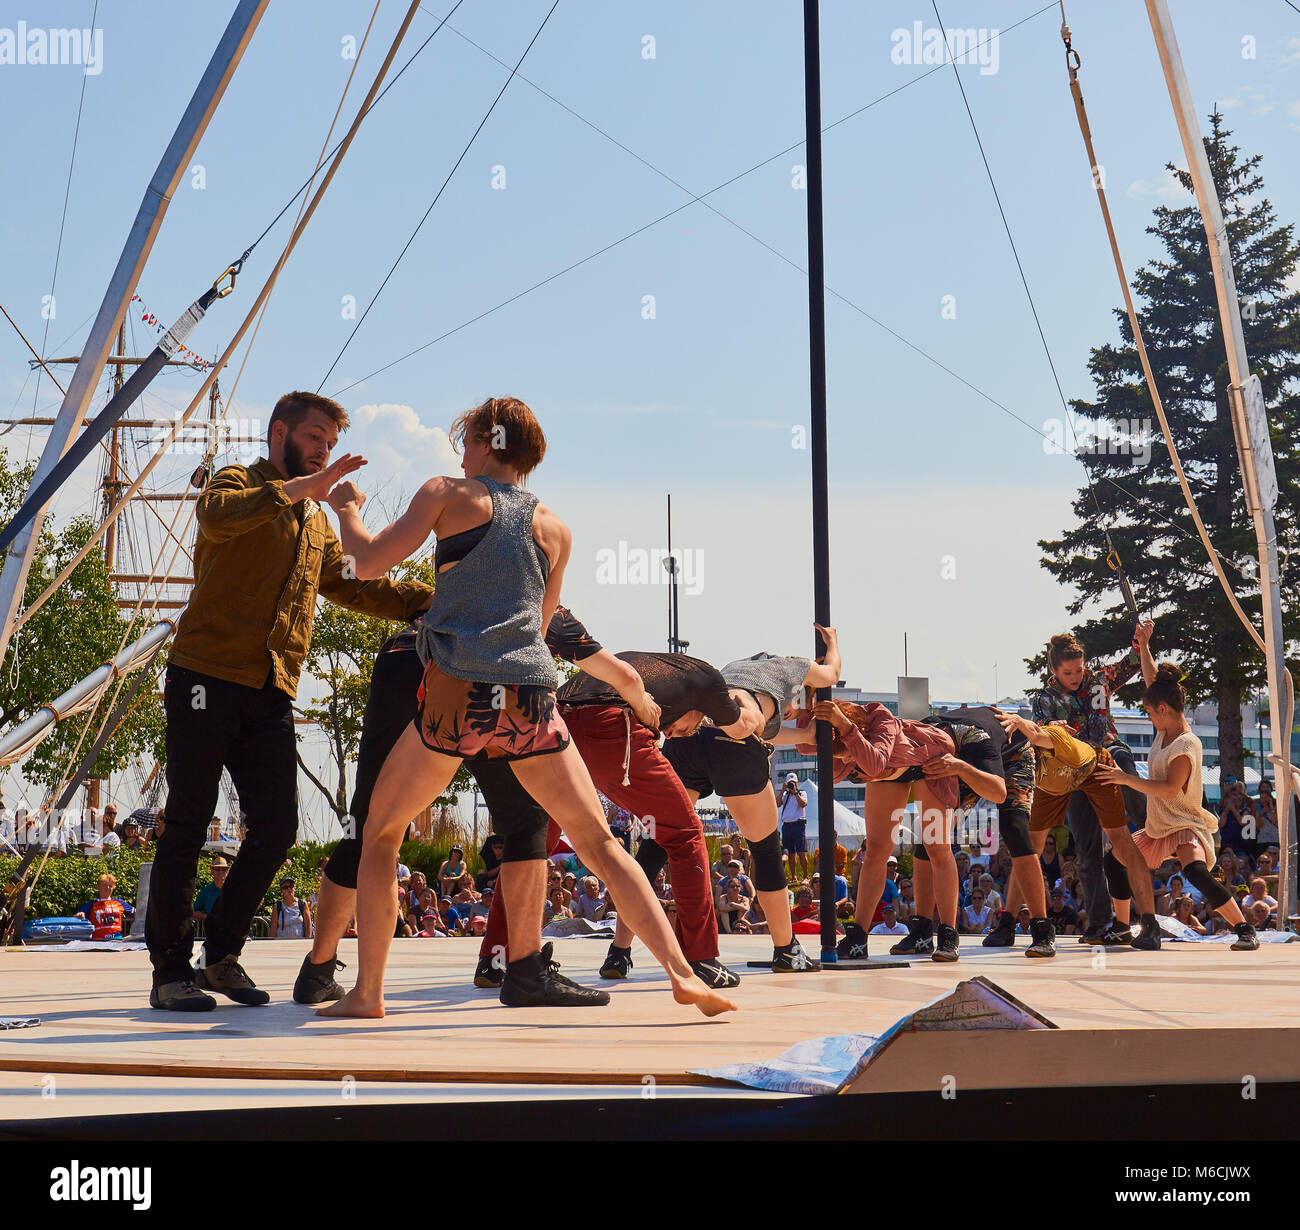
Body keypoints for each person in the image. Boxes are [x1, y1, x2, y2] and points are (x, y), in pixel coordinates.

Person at [315, 396, 735, 1018]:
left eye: (467, 441)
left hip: (458, 692)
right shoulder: (556, 528)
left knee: (381, 834)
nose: (460, 453)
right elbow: (541, 625)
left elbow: (367, 562)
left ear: (487, 441)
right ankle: (682, 975)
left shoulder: (446, 494)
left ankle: (369, 994)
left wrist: (347, 511)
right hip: (533, 698)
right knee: (600, 843)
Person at [146, 390, 433, 1012]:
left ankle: (221, 957)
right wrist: (308, 486)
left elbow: (350, 584)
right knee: (189, 821)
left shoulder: (316, 522)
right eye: (314, 439)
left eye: (330, 444)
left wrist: (429, 600)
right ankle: (170, 970)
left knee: (276, 827)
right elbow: (218, 518)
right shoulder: (237, 481)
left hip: (271, 687)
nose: (324, 453)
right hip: (205, 674)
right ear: (279, 432)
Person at [656, 634, 843, 972]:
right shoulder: (791, 668)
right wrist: (833, 642)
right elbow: (830, 674)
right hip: (734, 744)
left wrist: (802, 735)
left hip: (689, 738)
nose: (793, 714)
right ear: (801, 691)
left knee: (660, 842)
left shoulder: (737, 671)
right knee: (766, 850)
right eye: (799, 711)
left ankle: (619, 950)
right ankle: (786, 950)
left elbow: (755, 727)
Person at [792, 700, 1009, 963]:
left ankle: (948, 934)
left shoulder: (881, 719)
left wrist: (846, 729)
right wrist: (805, 713)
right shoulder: (843, 742)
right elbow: (804, 746)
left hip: (930, 761)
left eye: (847, 755)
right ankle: (858, 936)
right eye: (844, 756)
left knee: (936, 847)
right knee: (875, 851)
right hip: (889, 771)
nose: (847, 762)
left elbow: (873, 763)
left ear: (858, 732)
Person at [1092, 645, 1258, 952]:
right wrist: (1143, 645)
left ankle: (1244, 928)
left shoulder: (1185, 744)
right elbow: (1153, 680)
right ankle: (1121, 927)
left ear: (1164, 710)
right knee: (1113, 862)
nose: (1150, 717)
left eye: (1151, 712)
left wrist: (1124, 778)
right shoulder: (1164, 727)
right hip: (1159, 824)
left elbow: (1170, 790)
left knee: (1195, 872)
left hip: (1183, 822)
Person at [996, 707, 1162, 950]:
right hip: (1053, 784)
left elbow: (1036, 733)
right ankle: (1007, 924)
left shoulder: (1054, 736)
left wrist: (1020, 720)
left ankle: (1149, 924)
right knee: (1028, 848)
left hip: (1096, 769)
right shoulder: (1020, 762)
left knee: (1121, 839)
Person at [1031, 624, 1153, 944]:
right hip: (1077, 773)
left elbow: (1131, 663)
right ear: (1055, 671)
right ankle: (1100, 922)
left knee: (1126, 766)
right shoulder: (1046, 698)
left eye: (1079, 670)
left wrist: (1141, 641)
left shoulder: (1099, 680)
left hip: (1108, 752)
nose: (1075, 677)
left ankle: (1153, 823)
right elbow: (1039, 734)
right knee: (1086, 851)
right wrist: (1051, 729)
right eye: (1068, 673)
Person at [75, 874, 135, 940]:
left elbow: (136, 913)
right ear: (98, 887)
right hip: (98, 941)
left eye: (110, 886)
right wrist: (80, 914)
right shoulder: (91, 904)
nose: (108, 888)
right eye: (105, 885)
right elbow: (78, 916)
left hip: (117, 940)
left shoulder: (119, 902)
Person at [778, 773, 810, 881]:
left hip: (798, 825)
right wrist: (782, 791)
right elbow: (777, 803)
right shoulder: (785, 795)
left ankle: (806, 876)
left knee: (801, 852)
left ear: (797, 783)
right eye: (790, 783)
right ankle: (794, 877)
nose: (792, 785)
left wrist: (795, 792)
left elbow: (803, 804)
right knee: (790, 853)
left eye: (793, 782)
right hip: (787, 826)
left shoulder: (802, 793)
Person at [192, 856, 230, 923]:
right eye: (217, 869)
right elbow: (195, 912)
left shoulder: (234, 890)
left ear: (227, 872)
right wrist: (208, 918)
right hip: (212, 930)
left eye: (224, 869)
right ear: (212, 871)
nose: (220, 872)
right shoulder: (205, 891)